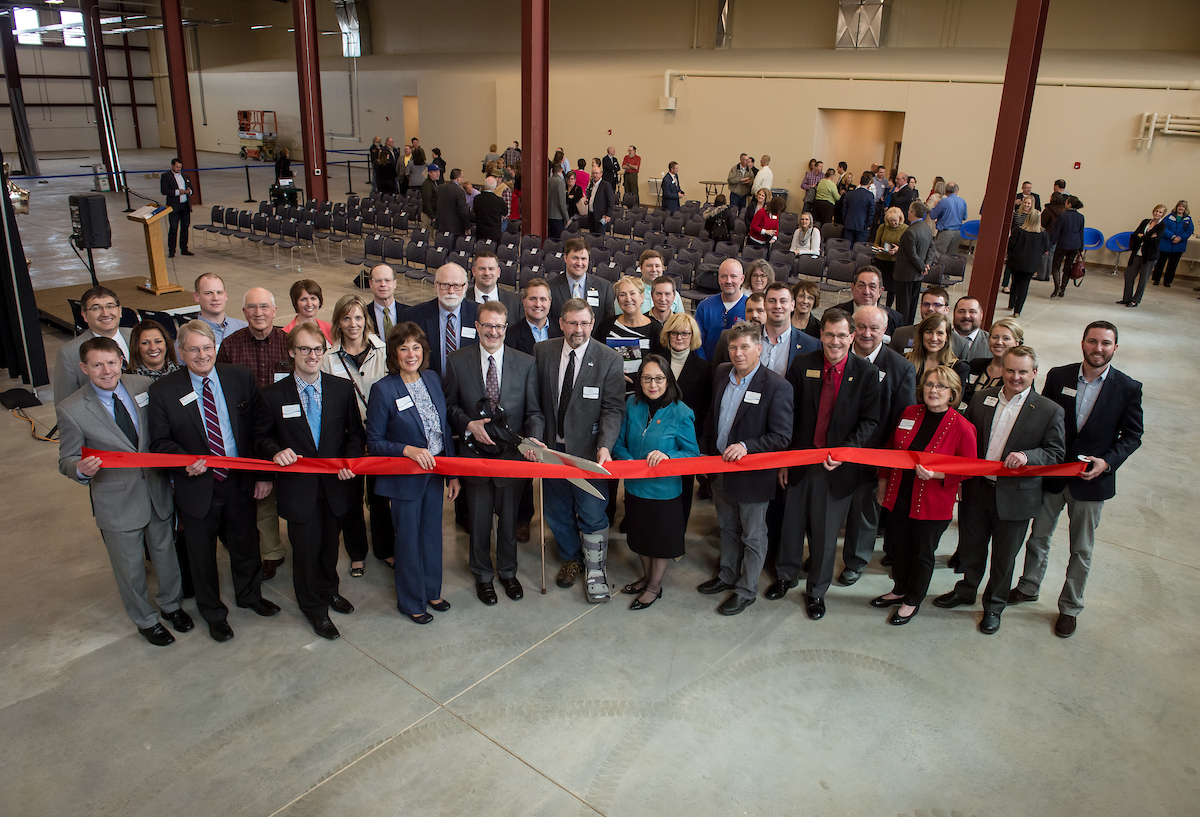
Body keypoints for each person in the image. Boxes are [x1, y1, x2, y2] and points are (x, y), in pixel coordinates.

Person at [148, 321, 280, 643]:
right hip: (197, 486)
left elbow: (261, 429)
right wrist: (183, 461)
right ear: (181, 352)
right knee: (202, 556)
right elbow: (160, 442)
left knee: (245, 544)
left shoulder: (239, 377)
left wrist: (263, 473)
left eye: (207, 347)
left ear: (215, 348)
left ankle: (250, 595)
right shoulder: (164, 390)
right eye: (193, 349)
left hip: (238, 480)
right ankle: (213, 613)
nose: (202, 354)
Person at [1011, 322, 1143, 638]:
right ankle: (1028, 587)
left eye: (1106, 343)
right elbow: (1040, 416)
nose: (1099, 348)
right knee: (1038, 536)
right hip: (1054, 475)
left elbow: (1133, 435)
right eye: (1093, 341)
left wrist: (1108, 462)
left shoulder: (1128, 388)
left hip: (1091, 481)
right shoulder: (1059, 376)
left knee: (1081, 548)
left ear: (1115, 347)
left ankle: (1070, 607)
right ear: (1082, 343)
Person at [57, 337, 190, 647]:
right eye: (97, 365)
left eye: (112, 362)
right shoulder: (72, 409)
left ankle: (171, 606)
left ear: (121, 360)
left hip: (156, 492)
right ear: (84, 368)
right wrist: (79, 469)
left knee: (166, 556)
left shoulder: (143, 386)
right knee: (130, 568)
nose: (106, 370)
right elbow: (66, 459)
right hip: (116, 501)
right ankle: (145, 619)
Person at [933, 345, 1066, 635]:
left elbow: (1055, 453)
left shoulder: (1048, 410)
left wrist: (1029, 456)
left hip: (1016, 496)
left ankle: (994, 605)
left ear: (1034, 373)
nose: (1015, 377)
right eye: (1010, 370)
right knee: (971, 545)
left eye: (1022, 372)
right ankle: (967, 589)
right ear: (1001, 370)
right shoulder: (982, 398)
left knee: (1004, 557)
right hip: (978, 489)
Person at [772, 309, 880, 620]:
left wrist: (845, 452)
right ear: (822, 336)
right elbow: (788, 415)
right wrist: (784, 460)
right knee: (791, 525)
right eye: (829, 334)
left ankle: (817, 591)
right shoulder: (803, 364)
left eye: (841, 335)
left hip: (837, 469)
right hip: (800, 462)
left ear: (852, 337)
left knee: (823, 534)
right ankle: (785, 576)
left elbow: (870, 421)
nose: (834, 341)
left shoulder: (866, 373)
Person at [257, 325, 363, 640]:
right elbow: (261, 437)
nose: (312, 355)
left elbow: (355, 435)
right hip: (299, 490)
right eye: (304, 349)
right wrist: (276, 451)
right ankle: (313, 608)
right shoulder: (273, 395)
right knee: (305, 550)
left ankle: (330, 590)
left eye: (317, 349)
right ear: (292, 352)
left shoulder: (341, 389)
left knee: (330, 547)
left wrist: (349, 462)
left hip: (335, 486)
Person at [443, 300, 544, 606]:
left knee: (510, 521)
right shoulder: (458, 361)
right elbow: (449, 407)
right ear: (477, 327)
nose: (493, 332)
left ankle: (508, 572)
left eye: (499, 326)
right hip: (475, 458)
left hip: (512, 459)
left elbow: (535, 412)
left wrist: (533, 439)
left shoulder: (525, 363)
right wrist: (468, 424)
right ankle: (483, 576)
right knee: (479, 522)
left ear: (505, 328)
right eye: (487, 325)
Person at [697, 321, 793, 616]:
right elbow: (713, 415)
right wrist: (704, 454)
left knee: (753, 535)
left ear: (759, 349)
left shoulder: (777, 386)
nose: (738, 353)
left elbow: (782, 436)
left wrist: (748, 446)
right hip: (720, 470)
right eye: (733, 347)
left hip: (753, 476)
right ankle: (727, 575)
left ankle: (747, 589)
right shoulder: (722, 373)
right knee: (727, 528)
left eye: (745, 347)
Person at [366, 323, 460, 624]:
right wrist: (407, 449)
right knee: (408, 541)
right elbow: (375, 442)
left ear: (424, 351)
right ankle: (410, 601)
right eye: (404, 348)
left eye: (416, 347)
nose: (411, 354)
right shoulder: (383, 389)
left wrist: (452, 473)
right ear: (394, 353)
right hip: (404, 479)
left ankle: (432, 591)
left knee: (432, 536)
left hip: (434, 475)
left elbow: (444, 429)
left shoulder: (432, 379)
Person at [533, 299, 625, 603]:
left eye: (584, 323)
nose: (578, 330)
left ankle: (596, 569)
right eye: (572, 323)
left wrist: (605, 447)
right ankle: (572, 557)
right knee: (556, 510)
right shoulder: (543, 352)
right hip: (552, 452)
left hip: (588, 454)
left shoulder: (608, 358)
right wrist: (535, 439)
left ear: (593, 322)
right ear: (560, 323)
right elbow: (535, 404)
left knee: (592, 511)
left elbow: (613, 409)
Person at [873, 365, 978, 624]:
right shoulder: (910, 413)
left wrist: (938, 475)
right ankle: (899, 589)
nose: (934, 390)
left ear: (953, 392)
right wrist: (883, 485)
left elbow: (970, 469)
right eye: (930, 384)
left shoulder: (963, 427)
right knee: (897, 547)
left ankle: (912, 600)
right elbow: (890, 451)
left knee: (921, 552)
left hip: (932, 503)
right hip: (899, 495)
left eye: (941, 386)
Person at [613, 355, 700, 610]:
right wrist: (628, 460)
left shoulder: (682, 413)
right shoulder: (632, 404)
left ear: (668, 380)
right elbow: (619, 443)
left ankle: (654, 586)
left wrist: (669, 455)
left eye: (659, 378)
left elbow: (692, 453)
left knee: (659, 542)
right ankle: (647, 577)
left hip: (664, 491)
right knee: (640, 537)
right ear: (639, 380)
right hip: (635, 486)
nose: (653, 384)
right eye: (647, 378)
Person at [215, 287, 290, 580]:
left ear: (274, 311)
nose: (258, 313)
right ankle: (271, 552)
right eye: (252, 308)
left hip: (287, 429)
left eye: (264, 307)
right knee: (262, 496)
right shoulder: (230, 346)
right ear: (243, 313)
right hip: (248, 433)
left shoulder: (288, 342)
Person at [839, 305, 916, 585]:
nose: (867, 334)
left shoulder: (901, 368)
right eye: (861, 327)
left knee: (863, 512)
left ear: (885, 331)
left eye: (874, 328)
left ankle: (856, 560)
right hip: (835, 452)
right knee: (830, 508)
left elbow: (903, 419)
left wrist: (886, 460)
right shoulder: (837, 356)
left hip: (873, 455)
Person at [321, 294, 393, 576]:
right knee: (350, 498)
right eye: (347, 317)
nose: (353, 324)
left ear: (367, 320)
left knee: (379, 496)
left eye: (359, 317)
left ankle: (385, 549)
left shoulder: (384, 351)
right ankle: (357, 553)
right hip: (346, 438)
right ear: (338, 322)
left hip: (379, 435)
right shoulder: (327, 358)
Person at [660, 313, 710, 525]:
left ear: (693, 336)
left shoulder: (704, 368)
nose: (679, 337)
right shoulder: (657, 362)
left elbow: (705, 409)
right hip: (657, 435)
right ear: (668, 335)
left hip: (686, 440)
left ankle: (677, 530)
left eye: (685, 333)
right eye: (674, 333)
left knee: (684, 488)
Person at [54, 285, 132, 404]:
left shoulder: (136, 337)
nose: (105, 313)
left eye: (110, 306)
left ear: (120, 311)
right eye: (96, 308)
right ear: (85, 315)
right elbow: (64, 404)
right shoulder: (69, 353)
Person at [401, 262, 479, 378]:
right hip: (429, 385)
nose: (451, 291)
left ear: (466, 287)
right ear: (436, 285)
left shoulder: (479, 313)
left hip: (467, 387)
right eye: (445, 285)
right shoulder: (414, 317)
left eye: (457, 285)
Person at [596, 276, 664, 396]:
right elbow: (596, 356)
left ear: (642, 297)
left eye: (632, 293)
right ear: (617, 300)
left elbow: (661, 365)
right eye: (622, 295)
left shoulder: (655, 329)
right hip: (610, 391)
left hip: (644, 393)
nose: (628, 299)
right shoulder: (606, 325)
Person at [548, 237, 616, 327]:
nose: (579, 263)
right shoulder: (550, 286)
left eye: (583, 259)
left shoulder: (604, 287)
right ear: (565, 258)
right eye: (575, 258)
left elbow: (608, 323)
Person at [905, 313, 970, 401]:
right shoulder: (905, 361)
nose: (934, 338)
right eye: (929, 332)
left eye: (940, 333)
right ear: (921, 335)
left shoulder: (959, 368)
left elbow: (955, 402)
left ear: (947, 337)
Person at [892, 201, 937, 325]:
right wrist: (926, 264)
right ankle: (909, 327)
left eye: (909, 210)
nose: (907, 212)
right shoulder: (927, 228)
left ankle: (902, 329)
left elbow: (912, 255)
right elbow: (932, 248)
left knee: (903, 307)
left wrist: (923, 266)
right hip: (918, 274)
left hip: (906, 274)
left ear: (913, 213)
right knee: (912, 305)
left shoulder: (910, 231)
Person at [963, 317, 1023, 409]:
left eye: (1006, 338)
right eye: (995, 337)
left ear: (1017, 343)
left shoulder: (1019, 376)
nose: (999, 342)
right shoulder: (975, 365)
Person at [695, 259, 747, 361]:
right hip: (706, 368)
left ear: (742, 279)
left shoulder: (750, 308)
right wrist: (703, 366)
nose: (728, 281)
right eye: (724, 276)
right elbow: (696, 341)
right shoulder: (705, 306)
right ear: (719, 279)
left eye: (733, 276)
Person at [1118, 204, 1168, 307]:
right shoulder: (1145, 221)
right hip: (1137, 253)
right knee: (1129, 275)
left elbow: (1155, 240)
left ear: (1163, 214)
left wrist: (1143, 236)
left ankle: (1135, 300)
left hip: (1150, 256)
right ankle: (1126, 298)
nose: (1157, 213)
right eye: (1156, 211)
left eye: (1160, 212)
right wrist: (1147, 237)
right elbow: (1135, 234)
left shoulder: (1162, 225)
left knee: (1143, 279)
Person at [889, 286, 960, 357]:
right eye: (926, 304)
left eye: (937, 305)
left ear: (946, 309)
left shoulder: (959, 343)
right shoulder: (901, 334)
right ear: (921, 307)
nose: (930, 309)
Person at [831, 267, 904, 336]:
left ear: (880, 292)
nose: (866, 291)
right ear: (853, 288)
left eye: (872, 287)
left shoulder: (895, 319)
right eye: (861, 286)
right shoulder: (834, 314)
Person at [192, 273, 247, 349]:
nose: (215, 298)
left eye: (219, 292)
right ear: (196, 297)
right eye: (208, 293)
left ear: (225, 295)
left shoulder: (244, 329)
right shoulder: (189, 336)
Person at [507, 278, 562, 354]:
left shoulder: (562, 330)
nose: (538, 304)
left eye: (543, 299)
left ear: (549, 302)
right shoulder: (511, 336)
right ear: (524, 301)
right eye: (533, 299)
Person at [1049, 196, 1085, 299]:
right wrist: (1081, 248)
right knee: (1068, 267)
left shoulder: (1062, 216)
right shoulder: (1080, 217)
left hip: (1063, 244)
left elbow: (1055, 232)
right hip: (1075, 245)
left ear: (1069, 204)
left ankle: (1057, 287)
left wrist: (1049, 244)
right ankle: (1063, 289)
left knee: (1056, 266)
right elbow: (1081, 233)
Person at [1152, 200, 1193, 287]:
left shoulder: (1188, 220)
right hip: (1166, 244)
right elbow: (1164, 228)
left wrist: (1180, 238)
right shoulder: (1169, 217)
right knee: (1160, 263)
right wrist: (1172, 237)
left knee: (1172, 265)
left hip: (1178, 246)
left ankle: (1167, 281)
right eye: (1179, 206)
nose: (1181, 208)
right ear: (1176, 207)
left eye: (1183, 207)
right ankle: (1156, 279)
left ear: (1185, 208)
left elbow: (1189, 231)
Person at [873, 206, 909, 302]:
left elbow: (907, 246)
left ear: (900, 218)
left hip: (895, 262)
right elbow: (876, 243)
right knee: (879, 284)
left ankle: (888, 306)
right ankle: (877, 304)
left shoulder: (905, 229)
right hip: (882, 260)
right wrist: (879, 248)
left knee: (892, 287)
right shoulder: (883, 227)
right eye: (891, 221)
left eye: (895, 220)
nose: (893, 223)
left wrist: (898, 249)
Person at [159, 157, 194, 258]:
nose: (179, 169)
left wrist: (189, 191)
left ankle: (184, 248)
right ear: (172, 165)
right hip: (174, 206)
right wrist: (178, 192)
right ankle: (172, 250)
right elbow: (164, 191)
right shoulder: (166, 176)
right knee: (173, 228)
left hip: (185, 205)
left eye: (180, 167)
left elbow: (192, 189)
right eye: (177, 167)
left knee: (185, 227)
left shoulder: (185, 176)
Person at [930, 182, 968, 256]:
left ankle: (937, 268)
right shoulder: (962, 201)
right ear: (956, 191)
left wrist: (934, 206)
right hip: (957, 232)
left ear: (945, 190)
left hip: (945, 232)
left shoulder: (943, 202)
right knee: (951, 256)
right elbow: (964, 217)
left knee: (938, 254)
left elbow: (933, 216)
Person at [367, 264, 402, 340]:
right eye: (378, 280)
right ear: (370, 284)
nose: (383, 284)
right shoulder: (363, 314)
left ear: (394, 283)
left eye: (387, 280)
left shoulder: (410, 313)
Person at [950, 296, 990, 362]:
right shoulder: (939, 339)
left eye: (972, 312)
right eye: (961, 311)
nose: (966, 316)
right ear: (954, 313)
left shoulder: (991, 342)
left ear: (981, 315)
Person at [842, 172, 877, 245]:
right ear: (869, 183)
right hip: (862, 226)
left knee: (847, 247)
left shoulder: (849, 194)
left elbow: (844, 209)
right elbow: (871, 212)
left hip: (849, 224)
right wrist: (868, 225)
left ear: (860, 182)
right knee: (859, 249)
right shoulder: (870, 195)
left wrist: (845, 220)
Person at [473, 177, 508, 245]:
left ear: (485, 186)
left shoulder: (477, 199)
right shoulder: (499, 201)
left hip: (480, 232)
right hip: (494, 233)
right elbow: (505, 212)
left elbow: (475, 211)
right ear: (495, 187)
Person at [586, 166, 616, 233]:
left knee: (599, 237)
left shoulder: (606, 185)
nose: (595, 175)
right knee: (591, 237)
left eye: (597, 173)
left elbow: (611, 201)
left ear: (601, 174)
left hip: (601, 216)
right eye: (593, 173)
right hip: (591, 215)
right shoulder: (591, 184)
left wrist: (608, 214)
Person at [547, 165, 569, 240]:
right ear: (561, 170)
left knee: (549, 241)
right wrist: (567, 218)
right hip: (558, 216)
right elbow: (561, 202)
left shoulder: (548, 180)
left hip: (548, 215)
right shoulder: (560, 182)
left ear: (552, 171)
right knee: (558, 241)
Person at [420, 163, 441, 228]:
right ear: (429, 173)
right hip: (428, 216)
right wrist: (432, 216)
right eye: (435, 172)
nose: (438, 173)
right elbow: (426, 201)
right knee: (429, 236)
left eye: (438, 171)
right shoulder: (427, 185)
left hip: (434, 214)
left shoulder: (434, 183)